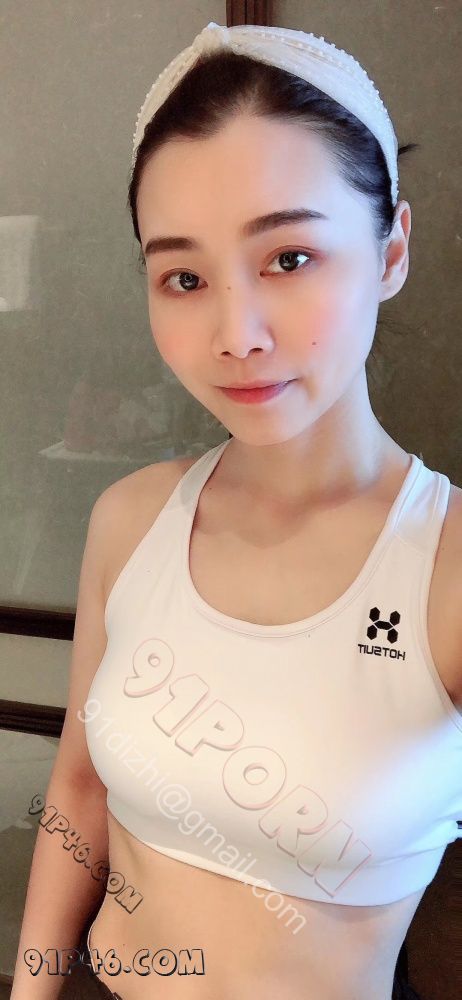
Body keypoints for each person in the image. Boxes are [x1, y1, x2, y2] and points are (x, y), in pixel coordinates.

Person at [11, 21, 462, 1000]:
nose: (237, 334)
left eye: (289, 258)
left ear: (391, 249)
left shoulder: (445, 565)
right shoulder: (131, 520)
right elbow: (79, 791)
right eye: (184, 277)